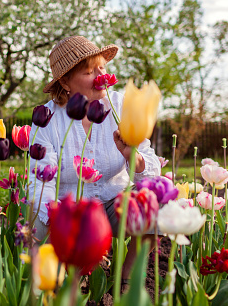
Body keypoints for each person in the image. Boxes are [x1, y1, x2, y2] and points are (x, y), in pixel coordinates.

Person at [28, 35, 161, 287]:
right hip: (70, 210)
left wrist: (131, 155)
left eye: (103, 68)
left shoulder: (121, 105)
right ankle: (69, 279)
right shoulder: (47, 119)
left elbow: (150, 171)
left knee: (156, 199)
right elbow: (39, 182)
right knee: (35, 221)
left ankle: (125, 277)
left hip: (114, 203)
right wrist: (62, 220)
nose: (101, 76)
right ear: (65, 82)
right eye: (89, 71)